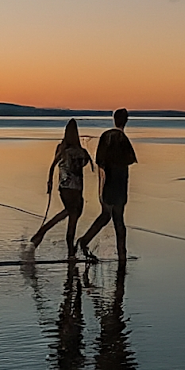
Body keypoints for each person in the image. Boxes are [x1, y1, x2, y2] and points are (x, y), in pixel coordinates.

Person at [77, 108, 138, 261]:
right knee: (117, 219)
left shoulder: (106, 136)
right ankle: (121, 254)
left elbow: (100, 161)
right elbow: (130, 160)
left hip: (107, 181)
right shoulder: (122, 138)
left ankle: (85, 240)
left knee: (106, 215)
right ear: (126, 120)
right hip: (118, 182)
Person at [29, 119, 94, 259]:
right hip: (75, 189)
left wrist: (50, 182)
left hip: (64, 187)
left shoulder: (63, 148)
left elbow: (53, 164)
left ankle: (43, 234)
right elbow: (86, 163)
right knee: (72, 217)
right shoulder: (78, 150)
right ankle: (69, 251)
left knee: (70, 214)